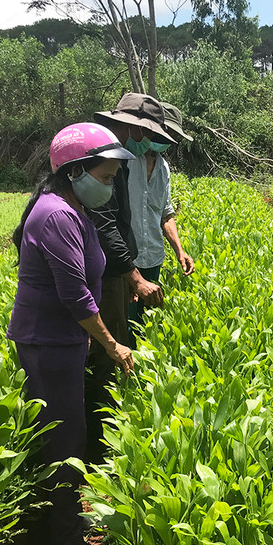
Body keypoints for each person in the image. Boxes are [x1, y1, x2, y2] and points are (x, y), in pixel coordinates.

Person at [7, 122, 135, 545]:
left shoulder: (71, 208)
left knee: (67, 434)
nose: (111, 183)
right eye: (104, 176)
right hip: (49, 342)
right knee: (62, 442)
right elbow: (75, 295)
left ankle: (64, 520)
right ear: (75, 170)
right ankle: (61, 540)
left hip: (62, 341)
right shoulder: (57, 214)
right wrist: (113, 344)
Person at [84, 92, 176, 461]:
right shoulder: (105, 155)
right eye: (141, 130)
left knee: (119, 343)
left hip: (117, 269)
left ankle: (107, 424)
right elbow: (107, 225)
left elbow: (124, 223)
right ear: (129, 125)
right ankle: (98, 442)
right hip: (106, 271)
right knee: (109, 349)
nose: (142, 138)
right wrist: (134, 277)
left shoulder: (119, 153)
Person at [125, 101, 195, 347]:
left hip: (153, 258)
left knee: (145, 327)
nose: (169, 139)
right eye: (169, 133)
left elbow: (165, 213)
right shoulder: (125, 160)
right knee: (124, 325)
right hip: (125, 261)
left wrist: (180, 251)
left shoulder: (163, 167)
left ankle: (141, 380)